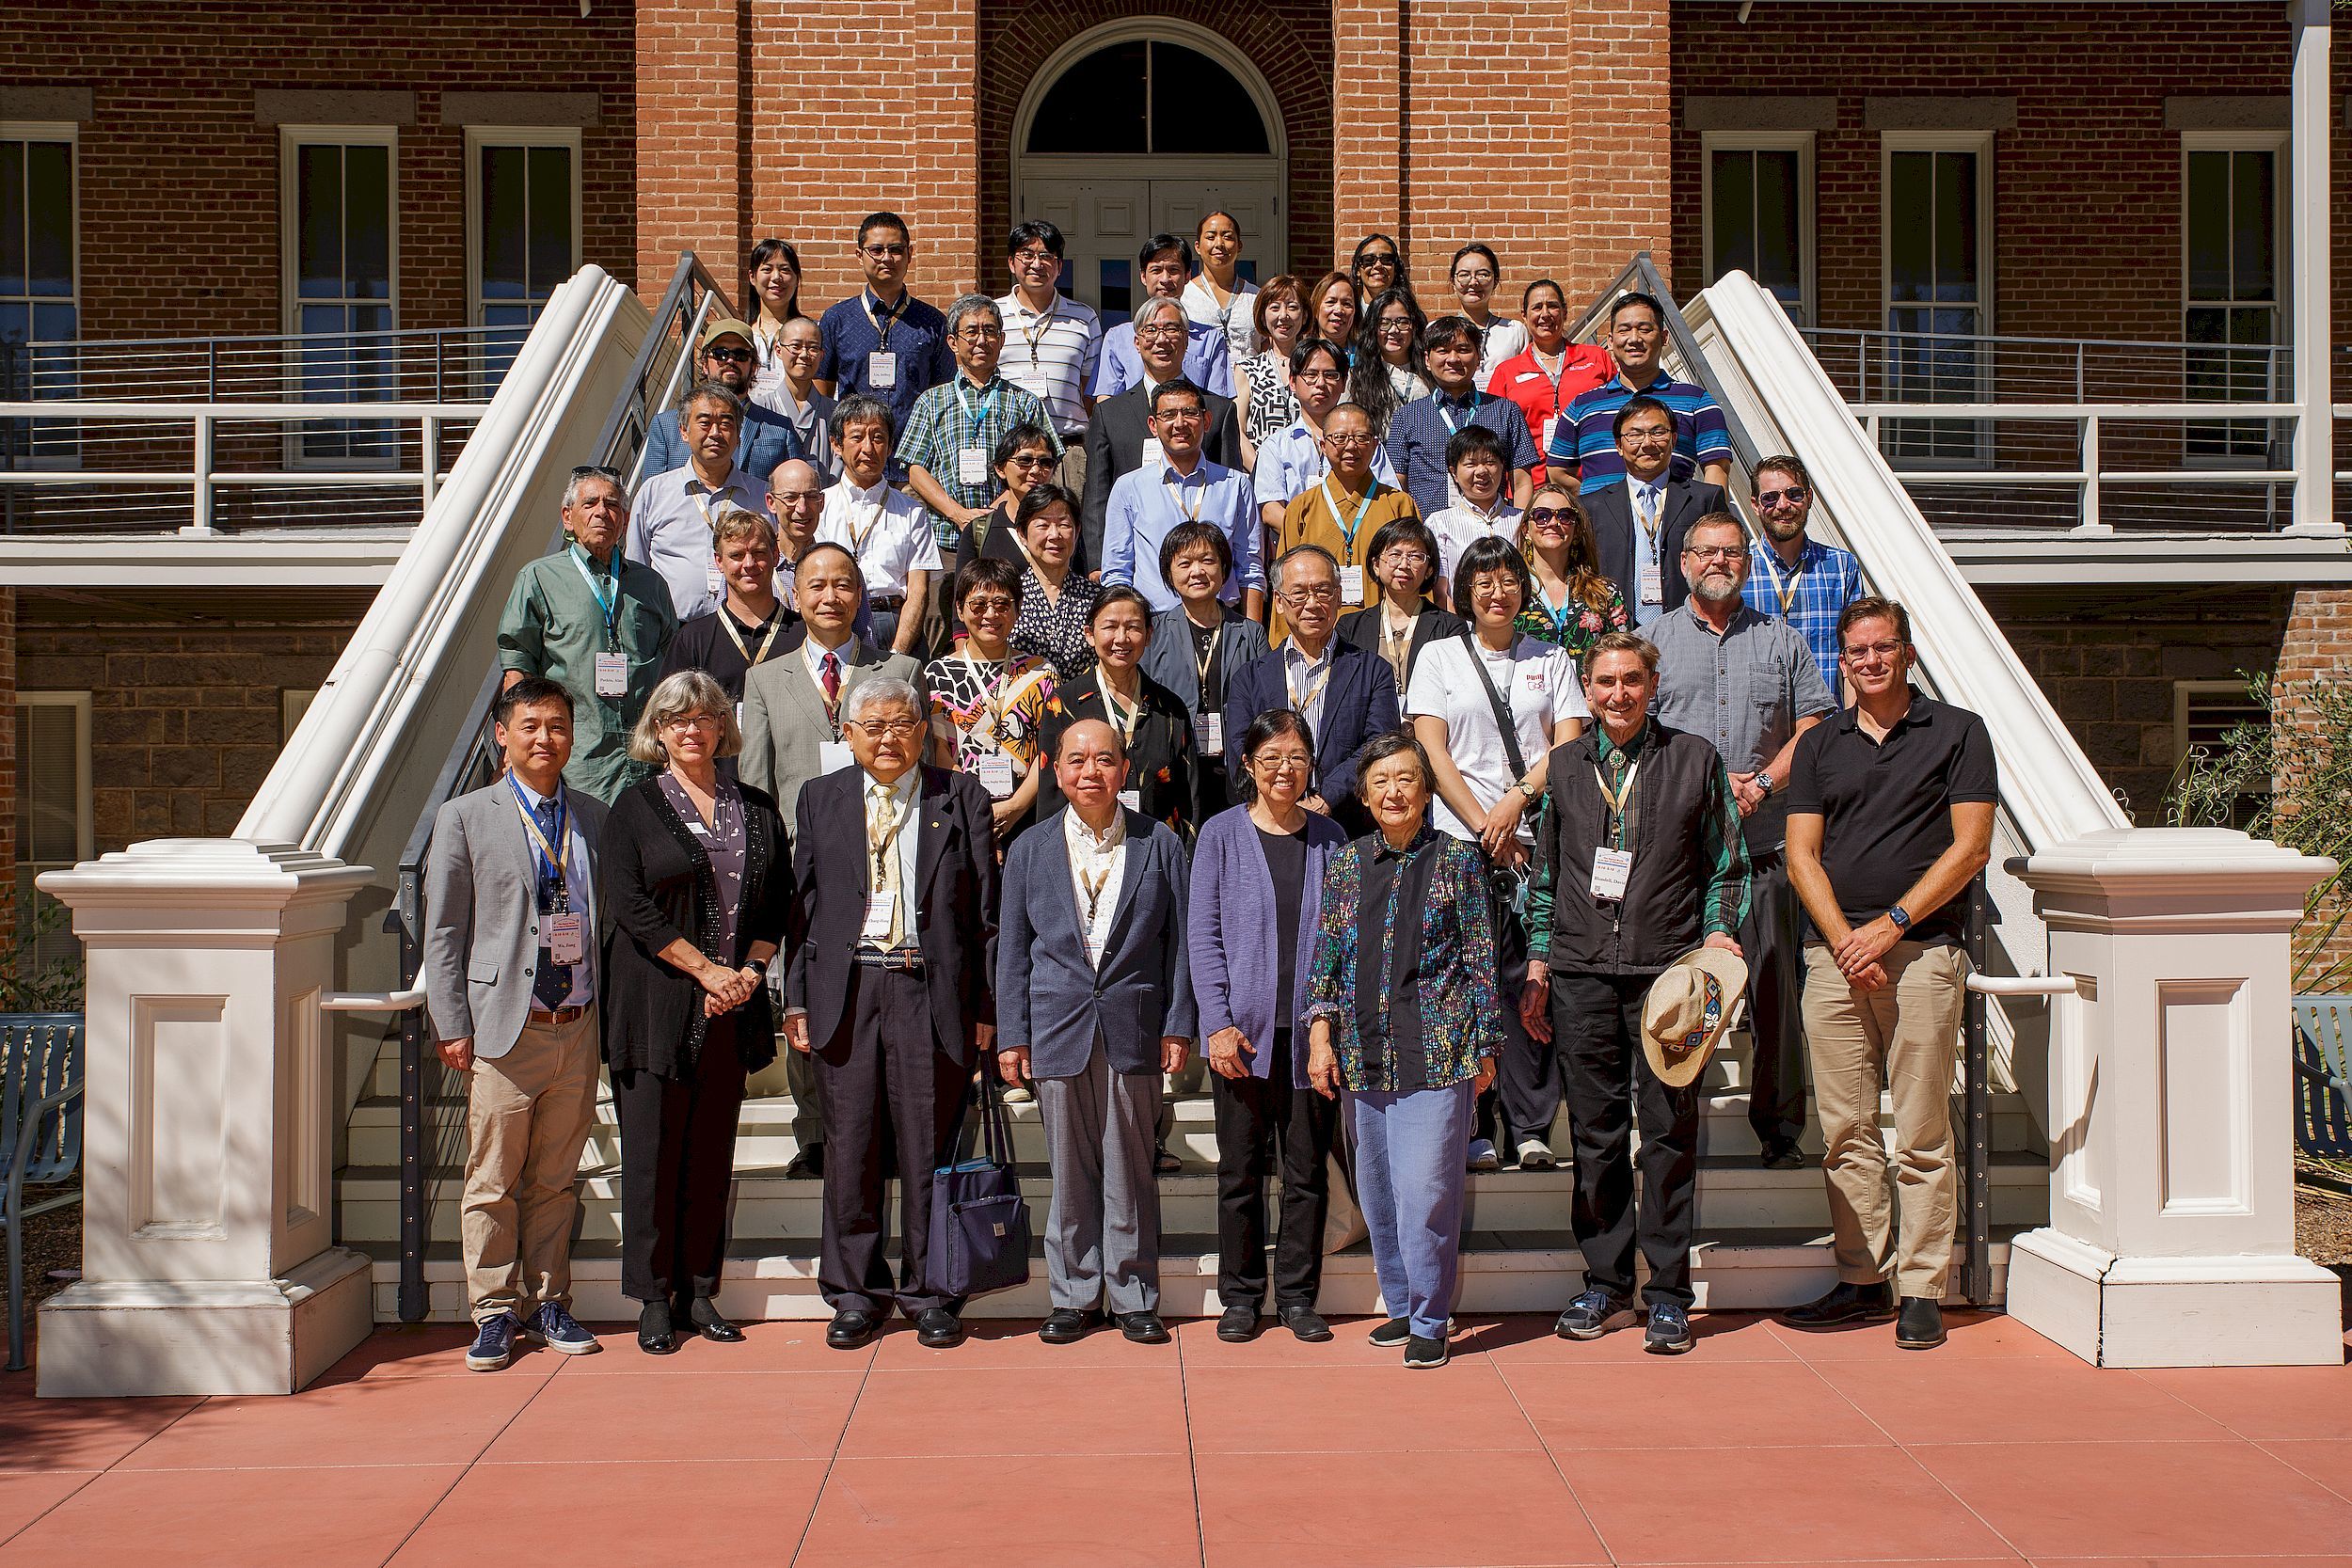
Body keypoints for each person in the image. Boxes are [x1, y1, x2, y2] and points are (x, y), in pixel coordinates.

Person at [1524, 631, 1751, 1355]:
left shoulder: (1694, 760)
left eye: (1630, 680)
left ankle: (1668, 1294)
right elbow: (1545, 879)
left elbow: (1728, 863)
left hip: (1669, 977)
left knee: (1666, 1133)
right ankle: (1605, 1283)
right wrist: (1537, 962)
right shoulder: (1562, 767)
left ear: (1653, 685)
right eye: (1603, 682)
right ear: (1586, 691)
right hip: (1582, 972)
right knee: (1594, 1134)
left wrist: (1718, 933)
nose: (1617, 693)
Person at [1781, 597, 1995, 1353]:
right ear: (1842, 658)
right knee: (1844, 1130)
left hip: (1921, 952)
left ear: (1907, 652)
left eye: (1883, 647)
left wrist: (1890, 926)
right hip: (1834, 957)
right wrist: (1846, 939)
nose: (1870, 660)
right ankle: (1861, 1276)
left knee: (1923, 1129)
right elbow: (1801, 853)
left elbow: (1970, 850)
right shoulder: (1820, 744)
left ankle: (1922, 1287)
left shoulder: (1959, 732)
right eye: (1857, 650)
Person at [784, 677, 999, 1352]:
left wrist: (985, 1007)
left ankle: (931, 1290)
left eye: (901, 723)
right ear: (847, 734)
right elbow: (804, 907)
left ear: (924, 728)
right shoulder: (822, 798)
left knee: (928, 1147)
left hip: (927, 989)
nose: (887, 737)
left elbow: (985, 917)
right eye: (871, 725)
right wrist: (795, 996)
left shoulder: (960, 795)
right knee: (850, 1146)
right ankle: (855, 1291)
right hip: (846, 990)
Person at [600, 671, 790, 1354]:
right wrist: (706, 970)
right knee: (652, 1154)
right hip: (654, 1007)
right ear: (657, 730)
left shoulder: (759, 808)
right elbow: (632, 907)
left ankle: (699, 1289)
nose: (690, 728)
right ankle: (654, 1297)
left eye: (703, 716)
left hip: (731, 1008)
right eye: (675, 718)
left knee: (711, 1154)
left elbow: (776, 906)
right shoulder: (633, 808)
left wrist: (748, 974)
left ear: (721, 727)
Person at [421, 676, 607, 1371]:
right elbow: (443, 929)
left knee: (556, 1177)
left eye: (557, 725)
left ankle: (550, 1299)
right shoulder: (465, 816)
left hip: (577, 1021)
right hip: (505, 1027)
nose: (544, 738)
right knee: (493, 1178)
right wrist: (451, 1019)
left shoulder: (592, 816)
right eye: (529, 725)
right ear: (501, 733)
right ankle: (494, 1312)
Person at [1305, 730, 1503, 1369]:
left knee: (1426, 1192)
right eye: (1381, 781)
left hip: (1439, 1052)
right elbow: (1328, 957)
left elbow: (1480, 959)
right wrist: (1320, 1034)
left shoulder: (1458, 860)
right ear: (1363, 794)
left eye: (1406, 779)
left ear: (1426, 791)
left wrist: (1487, 1046)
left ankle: (1430, 1316)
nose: (1394, 790)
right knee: (1381, 1193)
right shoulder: (1347, 862)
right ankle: (1400, 1305)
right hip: (1364, 1054)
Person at [996, 719, 1196, 1346]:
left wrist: (1179, 1022)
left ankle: (1133, 1294)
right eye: (1076, 760)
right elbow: (1012, 950)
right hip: (1057, 1024)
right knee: (1070, 1168)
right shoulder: (1029, 848)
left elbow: (1182, 944)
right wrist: (1013, 1033)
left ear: (1125, 768)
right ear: (1056, 770)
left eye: (1103, 759)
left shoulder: (1159, 843)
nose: (1090, 771)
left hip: (1134, 1025)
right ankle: (1074, 1294)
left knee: (1131, 1165)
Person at [1650, 514, 1835, 1169]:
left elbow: (1813, 725)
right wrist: (1700, 778)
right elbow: (1634, 730)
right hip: (1677, 858)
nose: (1719, 561)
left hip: (1762, 848)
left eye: (1732, 552)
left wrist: (1757, 782)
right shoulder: (1654, 639)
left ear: (1747, 564)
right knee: (1678, 992)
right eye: (1707, 552)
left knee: (1775, 989)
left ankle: (1781, 1131)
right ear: (1684, 563)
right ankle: (1674, 1131)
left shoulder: (1781, 641)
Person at [739, 542, 924, 1180]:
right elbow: (757, 784)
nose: (830, 596)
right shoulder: (766, 680)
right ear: (795, 593)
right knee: (808, 998)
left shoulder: (899, 667)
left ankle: (891, 1125)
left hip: (889, 859)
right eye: (816, 584)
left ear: (860, 592)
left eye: (843, 583)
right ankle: (815, 1130)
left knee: (887, 998)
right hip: (804, 869)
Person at [1407, 536, 1589, 1172]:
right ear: (1464, 590)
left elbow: (1567, 747)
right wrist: (1489, 823)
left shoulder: (1552, 657)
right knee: (1462, 981)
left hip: (1536, 841)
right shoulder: (1437, 655)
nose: (1496, 590)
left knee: (1528, 980)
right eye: (1483, 580)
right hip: (1460, 843)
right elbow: (1432, 750)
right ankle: (1475, 1124)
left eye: (1508, 578)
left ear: (1523, 587)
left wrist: (1515, 803)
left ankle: (1532, 1123)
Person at [1189, 710, 1347, 1343]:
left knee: (1306, 1170)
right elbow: (1204, 938)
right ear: (1249, 766)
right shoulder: (1221, 835)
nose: (1286, 769)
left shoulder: (1333, 839)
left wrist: (1322, 1027)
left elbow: (1340, 942)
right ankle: (1241, 1296)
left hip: (1308, 1038)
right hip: (1243, 1038)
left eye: (1298, 757)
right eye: (1272, 757)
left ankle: (1299, 1296)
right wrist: (1218, 1023)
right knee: (1241, 1171)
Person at [499, 467, 678, 804]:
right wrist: (513, 745)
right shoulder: (539, 578)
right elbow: (517, 664)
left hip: (649, 753)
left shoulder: (651, 584)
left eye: (612, 505)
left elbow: (673, 664)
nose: (601, 512)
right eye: (590, 503)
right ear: (568, 517)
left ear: (624, 521)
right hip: (578, 756)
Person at [1225, 546, 1399, 834]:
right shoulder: (1250, 677)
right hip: (1268, 825)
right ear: (1279, 602)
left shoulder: (1373, 671)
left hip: (1348, 825)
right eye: (1299, 593)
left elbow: (1377, 745)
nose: (1312, 603)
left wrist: (1326, 797)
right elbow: (1240, 751)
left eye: (1323, 590)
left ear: (1339, 597)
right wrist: (1281, 803)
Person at [1081, 296, 1245, 571]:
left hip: (1205, 566)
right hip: (1134, 562)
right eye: (1151, 330)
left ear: (1186, 340)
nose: (1161, 339)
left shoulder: (1218, 410)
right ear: (1136, 342)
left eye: (1172, 329)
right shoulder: (1109, 414)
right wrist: (1098, 564)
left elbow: (1233, 495)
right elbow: (1097, 496)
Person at [898, 293, 1062, 566]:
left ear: (1002, 339)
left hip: (1012, 536)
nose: (982, 340)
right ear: (953, 342)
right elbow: (916, 470)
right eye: (971, 332)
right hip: (945, 539)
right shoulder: (931, 401)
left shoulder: (1025, 402)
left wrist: (993, 514)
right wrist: (959, 514)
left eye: (989, 331)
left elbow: (1048, 462)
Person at [1035, 587, 1196, 840]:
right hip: (1082, 850)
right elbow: (1050, 792)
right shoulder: (1063, 704)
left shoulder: (1170, 709)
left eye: (1133, 627)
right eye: (1110, 626)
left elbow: (1188, 797)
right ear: (1090, 634)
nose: (1121, 638)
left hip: (1154, 850)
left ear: (1149, 635)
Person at [1101, 378, 1263, 620]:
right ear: (1153, 425)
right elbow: (1117, 572)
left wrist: (1251, 633)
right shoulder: (1129, 487)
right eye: (1168, 415)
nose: (1180, 423)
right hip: (1155, 622)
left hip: (1223, 619)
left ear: (1206, 421)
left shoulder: (1235, 485)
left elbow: (1249, 567)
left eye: (1189, 413)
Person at [1140, 520, 1270, 822]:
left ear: (1224, 570)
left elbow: (1267, 706)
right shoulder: (1153, 633)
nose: (1197, 571)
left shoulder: (1251, 633)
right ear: (1169, 575)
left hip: (1237, 769)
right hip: (1175, 770)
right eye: (1184, 563)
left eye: (1208, 561)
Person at [924, 558, 1060, 844]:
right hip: (959, 812)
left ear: (1017, 609)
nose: (990, 614)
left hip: (1028, 817)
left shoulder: (1041, 673)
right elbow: (939, 750)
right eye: (978, 604)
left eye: (1001, 604)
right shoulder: (937, 674)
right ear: (959, 609)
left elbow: (1050, 749)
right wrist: (971, 805)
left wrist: (1015, 807)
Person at [1546, 290, 1733, 495]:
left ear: (1664, 338)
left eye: (1645, 329)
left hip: (1676, 523)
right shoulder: (1582, 406)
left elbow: (1717, 470)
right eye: (1624, 330)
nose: (1634, 339)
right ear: (1610, 340)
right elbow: (1557, 470)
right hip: (1601, 526)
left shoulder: (1697, 402)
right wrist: (1596, 502)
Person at [816, 211, 953, 480]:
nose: (887, 258)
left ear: (910, 254)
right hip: (854, 467)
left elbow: (942, 398)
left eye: (896, 250)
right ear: (860, 255)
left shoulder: (933, 322)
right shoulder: (837, 319)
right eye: (876, 250)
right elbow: (822, 398)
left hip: (914, 468)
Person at [1578, 397, 1729, 630]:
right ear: (1618, 445)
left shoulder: (1704, 500)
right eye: (1635, 435)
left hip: (1690, 630)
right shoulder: (1592, 506)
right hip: (1616, 636)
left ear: (1674, 439)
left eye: (1658, 432)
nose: (1647, 443)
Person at [629, 382, 775, 622]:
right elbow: (636, 570)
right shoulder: (654, 494)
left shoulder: (762, 497)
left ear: (739, 434)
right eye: (705, 423)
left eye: (726, 424)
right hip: (671, 630)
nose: (715, 433)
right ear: (684, 432)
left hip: (745, 628)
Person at [1269, 403, 1419, 635]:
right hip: (1316, 632)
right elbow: (1286, 583)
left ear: (1375, 445)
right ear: (1324, 446)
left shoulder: (1399, 504)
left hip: (1386, 633)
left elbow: (1417, 577)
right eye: (1339, 438)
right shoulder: (1301, 507)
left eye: (1361, 437)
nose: (1351, 446)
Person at [1252, 337, 1401, 561]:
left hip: (1363, 555)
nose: (1320, 383)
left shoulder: (1365, 443)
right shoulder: (1276, 446)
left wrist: (1352, 541)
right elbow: (1270, 510)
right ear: (1292, 382)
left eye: (1331, 375)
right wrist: (1322, 541)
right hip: (1299, 556)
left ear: (1343, 384)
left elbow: (1389, 498)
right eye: (1311, 375)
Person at [1383, 315, 1538, 521]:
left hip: (1492, 535)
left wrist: (1519, 529)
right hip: (1428, 536)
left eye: (1463, 350)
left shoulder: (1505, 411)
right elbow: (1397, 485)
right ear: (1427, 360)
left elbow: (1522, 482)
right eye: (1443, 351)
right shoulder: (1407, 416)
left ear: (1478, 358)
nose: (1453, 359)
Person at [816, 396, 939, 655]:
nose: (868, 448)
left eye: (878, 438)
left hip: (896, 621)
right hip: (839, 624)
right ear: (836, 444)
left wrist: (899, 652)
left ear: (891, 447)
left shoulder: (912, 511)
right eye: (857, 437)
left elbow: (918, 591)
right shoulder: (821, 506)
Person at [1741, 453, 1865, 704]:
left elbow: (1856, 653)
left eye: (1794, 494)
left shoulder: (1841, 567)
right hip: (1758, 727)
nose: (1783, 505)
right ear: (1755, 505)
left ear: (1809, 498)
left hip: (1825, 724)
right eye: (1770, 497)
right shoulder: (1739, 569)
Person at [996, 220, 1103, 499]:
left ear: (1059, 266)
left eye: (1046, 256)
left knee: (1067, 536)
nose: (1036, 263)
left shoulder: (1084, 318)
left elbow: (1088, 390)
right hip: (1008, 454)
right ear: (1011, 262)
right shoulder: (991, 315)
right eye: (1027, 255)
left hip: (1067, 453)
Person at [658, 507, 794, 708]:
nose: (749, 564)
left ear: (775, 555)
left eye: (758, 553)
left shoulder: (802, 634)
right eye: (737, 555)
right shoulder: (692, 639)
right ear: (719, 562)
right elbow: (671, 711)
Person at [641, 318, 804, 483]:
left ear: (754, 366)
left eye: (740, 355)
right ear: (705, 364)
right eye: (721, 354)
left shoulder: (780, 428)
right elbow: (654, 497)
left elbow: (797, 488)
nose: (730, 360)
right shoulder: (667, 426)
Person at [1485, 278, 1613, 484]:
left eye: (1552, 306)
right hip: (1530, 486)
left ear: (1564, 312)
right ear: (1524, 316)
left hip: (1591, 480)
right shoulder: (1506, 372)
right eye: (1537, 307)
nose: (1545, 314)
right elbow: (1492, 435)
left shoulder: (1596, 358)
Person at [1093, 232, 1234, 400]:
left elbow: (1217, 402)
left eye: (1174, 270)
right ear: (1143, 276)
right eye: (1156, 270)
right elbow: (1106, 399)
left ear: (1187, 275)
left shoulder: (1211, 339)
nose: (1165, 279)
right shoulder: (1117, 338)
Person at [1337, 515, 1465, 694]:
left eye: (1416, 556)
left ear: (1429, 570)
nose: (1404, 564)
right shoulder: (1350, 627)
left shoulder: (1450, 628)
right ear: (1376, 565)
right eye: (1395, 555)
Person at [1516, 483, 1629, 657]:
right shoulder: (1511, 591)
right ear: (1526, 530)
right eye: (1542, 516)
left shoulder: (1605, 593)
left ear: (1576, 531)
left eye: (1565, 516)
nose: (1553, 522)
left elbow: (1624, 655)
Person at [1007, 483, 1101, 682]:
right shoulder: (1008, 596)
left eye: (1064, 525)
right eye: (1042, 525)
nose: (1054, 535)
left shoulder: (1097, 598)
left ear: (1077, 531)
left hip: (1082, 707)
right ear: (1022, 534)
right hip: (1021, 708)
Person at [1423, 424, 1525, 593]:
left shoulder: (1523, 521)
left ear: (1502, 466)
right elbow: (1440, 593)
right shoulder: (1438, 524)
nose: (1481, 471)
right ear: (1454, 472)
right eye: (1471, 464)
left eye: (1490, 462)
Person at [955, 421, 1058, 574]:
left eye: (1045, 462)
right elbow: (964, 593)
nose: (1036, 470)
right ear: (1000, 468)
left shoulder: (1064, 528)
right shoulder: (979, 531)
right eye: (1025, 460)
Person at [1233, 273, 1306, 467]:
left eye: (1292, 307)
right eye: (1275, 308)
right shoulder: (1247, 369)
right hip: (1261, 480)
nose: (1284, 316)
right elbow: (1237, 430)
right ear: (1263, 317)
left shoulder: (1315, 367)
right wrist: (1264, 472)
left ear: (1304, 315)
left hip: (1309, 477)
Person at [759, 317, 839, 482]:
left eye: (813, 348)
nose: (804, 354)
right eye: (795, 346)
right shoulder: (760, 409)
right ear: (778, 350)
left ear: (822, 355)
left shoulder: (836, 413)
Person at [1346, 286, 1428, 438]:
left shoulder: (1430, 374)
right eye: (1384, 323)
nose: (1393, 330)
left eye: (1402, 322)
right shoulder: (1356, 378)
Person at [1183, 209, 1260, 367]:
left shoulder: (1257, 297)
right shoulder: (1184, 296)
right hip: (1201, 387)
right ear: (1197, 246)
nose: (1219, 244)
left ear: (1239, 245)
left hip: (1249, 387)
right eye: (1211, 237)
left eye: (1228, 237)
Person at [1449, 244, 1526, 386]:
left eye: (1483, 274)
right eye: (1464, 275)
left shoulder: (1515, 331)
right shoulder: (1439, 330)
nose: (1473, 282)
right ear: (1453, 282)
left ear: (1495, 281)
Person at [743, 237, 805, 406]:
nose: (776, 277)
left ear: (796, 278)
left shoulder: (809, 336)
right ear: (752, 277)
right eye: (767, 269)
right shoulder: (743, 336)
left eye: (785, 270)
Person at [766, 457, 827, 611]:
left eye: (811, 496)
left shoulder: (836, 565)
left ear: (822, 502)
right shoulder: (752, 567)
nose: (802, 508)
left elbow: (864, 633)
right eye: (790, 497)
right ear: (771, 503)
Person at [1348, 233, 1408, 312]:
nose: (1378, 265)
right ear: (1358, 270)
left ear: (1395, 268)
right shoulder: (1348, 316)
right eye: (1369, 260)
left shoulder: (1410, 315)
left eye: (1386, 259)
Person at [1308, 270, 1359, 358]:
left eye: (1347, 304)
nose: (1339, 310)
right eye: (1331, 302)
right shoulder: (1303, 355)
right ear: (1316, 309)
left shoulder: (1365, 357)